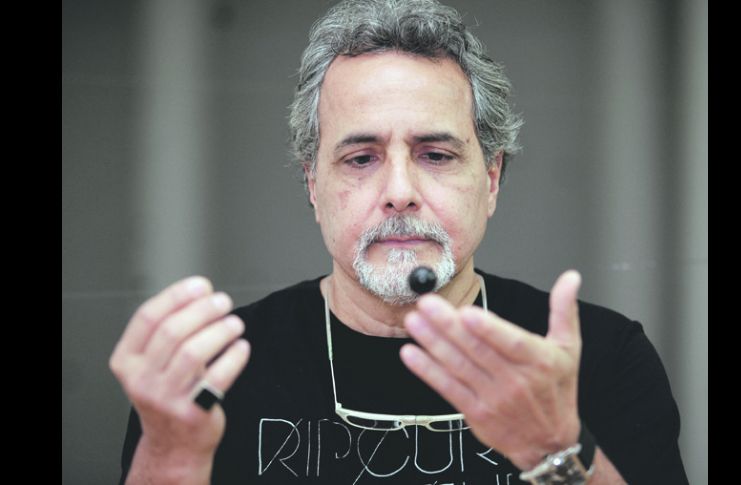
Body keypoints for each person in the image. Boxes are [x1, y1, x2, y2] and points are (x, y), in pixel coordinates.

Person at [110, 1, 688, 483]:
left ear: (491, 179)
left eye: (435, 155)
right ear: (313, 185)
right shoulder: (211, 375)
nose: (399, 192)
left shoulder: (602, 358)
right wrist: (170, 454)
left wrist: (554, 451)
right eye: (361, 158)